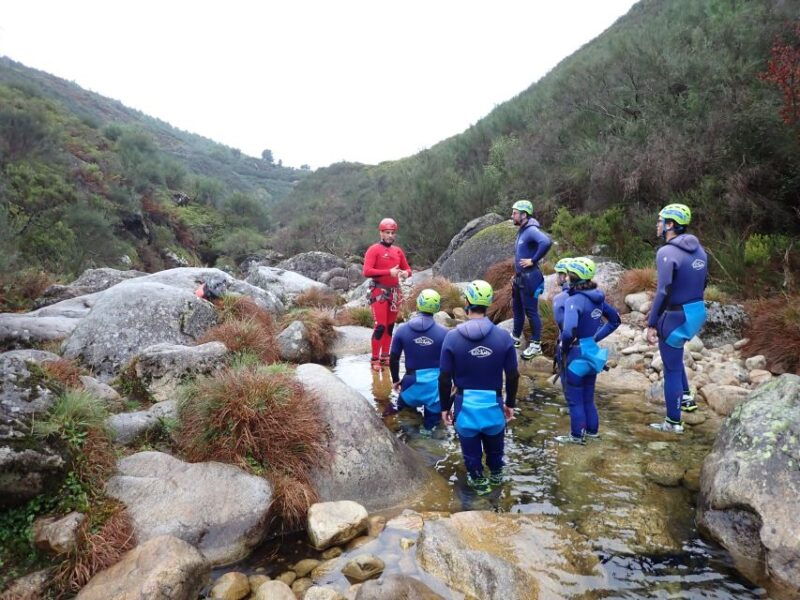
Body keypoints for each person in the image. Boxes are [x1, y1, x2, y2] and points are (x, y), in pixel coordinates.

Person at [439, 280, 519, 495]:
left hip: (465, 406)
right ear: (489, 304)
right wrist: (510, 403)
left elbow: (445, 377)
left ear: (467, 302)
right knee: (496, 455)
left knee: (472, 457)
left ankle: (478, 489)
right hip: (493, 405)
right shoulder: (503, 337)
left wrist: (444, 407)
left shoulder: (452, 337)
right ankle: (497, 492)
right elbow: (512, 375)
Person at [646, 204, 708, 433]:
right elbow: (704, 282)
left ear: (670, 225)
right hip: (696, 312)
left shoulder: (666, 252)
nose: (657, 224)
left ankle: (673, 422)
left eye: (660, 221)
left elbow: (663, 290)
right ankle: (686, 400)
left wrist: (652, 323)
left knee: (670, 368)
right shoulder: (700, 250)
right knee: (675, 356)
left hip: (676, 316)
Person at [556, 257, 621, 444]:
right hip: (592, 352)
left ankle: (576, 437)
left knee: (575, 400)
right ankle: (592, 433)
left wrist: (564, 347)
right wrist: (594, 338)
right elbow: (615, 320)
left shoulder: (574, 300)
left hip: (576, 354)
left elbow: (568, 330)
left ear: (573, 277)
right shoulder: (598, 297)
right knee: (588, 398)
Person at [387, 289, 449, 433]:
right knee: (434, 429)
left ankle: (412, 443)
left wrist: (396, 380)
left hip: (411, 384)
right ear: (437, 308)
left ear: (418, 304)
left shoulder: (402, 330)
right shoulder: (445, 333)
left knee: (406, 421)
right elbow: (450, 364)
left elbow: (393, 358)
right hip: (435, 387)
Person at [363, 218, 412, 371]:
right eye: (387, 233)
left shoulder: (397, 251)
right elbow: (367, 271)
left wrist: (405, 273)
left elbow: (408, 270)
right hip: (379, 291)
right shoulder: (373, 250)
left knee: (390, 326)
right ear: (381, 233)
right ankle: (375, 359)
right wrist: (388, 272)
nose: (390, 235)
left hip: (394, 292)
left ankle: (385, 356)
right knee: (380, 327)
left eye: (392, 233)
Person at [510, 200, 552, 360]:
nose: (512, 215)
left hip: (530, 278)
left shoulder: (531, 230)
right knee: (518, 309)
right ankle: (515, 338)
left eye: (515, 213)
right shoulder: (522, 230)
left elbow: (546, 242)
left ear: (524, 215)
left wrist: (533, 260)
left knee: (531, 312)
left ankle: (536, 345)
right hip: (520, 278)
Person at [551, 257, 572, 383]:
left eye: (558, 273)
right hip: (588, 347)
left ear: (565, 276)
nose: (556, 277)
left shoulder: (560, 298)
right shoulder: (590, 293)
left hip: (568, 349)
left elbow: (564, 328)